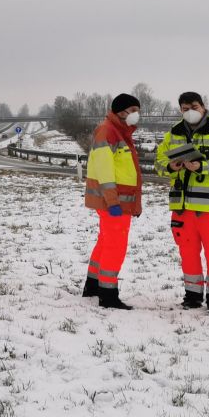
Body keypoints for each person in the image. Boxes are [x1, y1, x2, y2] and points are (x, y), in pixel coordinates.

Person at [155, 92, 209, 315]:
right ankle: (192, 296)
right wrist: (172, 167)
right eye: (184, 108)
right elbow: (159, 160)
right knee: (188, 253)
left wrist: (201, 166)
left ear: (203, 106)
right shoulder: (173, 133)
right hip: (182, 207)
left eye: (193, 106)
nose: (189, 111)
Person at [83, 93, 143, 310]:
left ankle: (93, 285)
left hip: (117, 201)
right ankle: (107, 294)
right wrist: (113, 201)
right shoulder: (109, 131)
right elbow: (104, 169)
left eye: (138, 110)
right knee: (115, 245)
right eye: (133, 110)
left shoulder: (120, 132)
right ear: (121, 111)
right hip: (113, 202)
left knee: (106, 241)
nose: (136, 115)